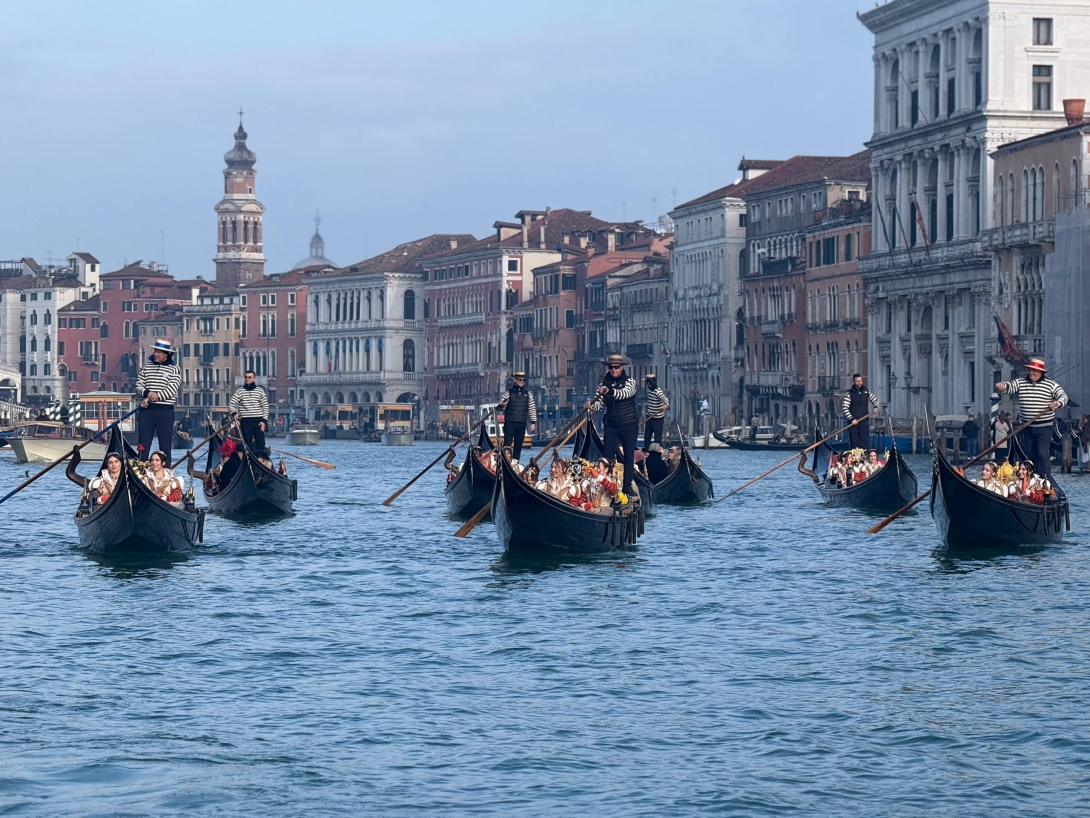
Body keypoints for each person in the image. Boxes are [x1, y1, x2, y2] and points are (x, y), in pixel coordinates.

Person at [996, 358, 1068, 480]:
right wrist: (1003, 386)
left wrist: (1058, 403)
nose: (1031, 373)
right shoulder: (1021, 382)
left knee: (1042, 454)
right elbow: (1010, 387)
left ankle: (1046, 479)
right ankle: (1034, 479)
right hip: (1027, 426)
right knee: (1031, 455)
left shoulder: (1051, 384)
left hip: (1044, 427)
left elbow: (1063, 396)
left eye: (1035, 371)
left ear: (1041, 372)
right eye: (1030, 370)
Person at [586, 354, 639, 494]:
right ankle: (607, 485)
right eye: (611, 367)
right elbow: (600, 403)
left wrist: (609, 390)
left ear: (622, 368)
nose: (614, 369)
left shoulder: (630, 381)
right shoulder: (603, 385)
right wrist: (592, 406)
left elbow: (624, 394)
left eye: (616, 367)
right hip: (611, 425)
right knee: (607, 457)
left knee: (628, 456)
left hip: (629, 423)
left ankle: (627, 485)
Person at [136, 339, 181, 460]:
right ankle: (141, 467)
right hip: (146, 410)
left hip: (165, 411)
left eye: (159, 352)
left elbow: (171, 390)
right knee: (143, 444)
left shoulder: (174, 369)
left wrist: (151, 398)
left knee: (165, 445)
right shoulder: (147, 367)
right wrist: (147, 393)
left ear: (166, 354)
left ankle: (165, 468)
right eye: (155, 351)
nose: (155, 354)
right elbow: (138, 385)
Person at [497, 372, 536, 462]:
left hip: (521, 423)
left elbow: (532, 408)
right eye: (520, 380)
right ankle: (505, 461)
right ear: (515, 380)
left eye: (524, 380)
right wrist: (501, 404)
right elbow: (501, 406)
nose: (522, 382)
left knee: (518, 445)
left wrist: (533, 422)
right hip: (510, 422)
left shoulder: (528, 394)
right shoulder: (508, 393)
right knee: (507, 444)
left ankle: (515, 462)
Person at [230, 370, 269, 457]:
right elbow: (232, 404)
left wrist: (264, 421)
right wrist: (234, 414)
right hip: (246, 421)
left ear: (254, 378)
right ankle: (249, 459)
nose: (247, 379)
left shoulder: (260, 391)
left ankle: (260, 459)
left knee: (261, 443)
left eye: (249, 377)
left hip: (259, 421)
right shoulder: (240, 391)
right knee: (247, 444)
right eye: (246, 377)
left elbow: (265, 407)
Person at [842, 373, 879, 450]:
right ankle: (854, 456)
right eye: (858, 381)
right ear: (854, 382)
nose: (860, 383)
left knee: (864, 443)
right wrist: (852, 419)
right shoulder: (849, 394)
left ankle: (864, 456)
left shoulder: (866, 392)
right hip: (853, 423)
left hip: (864, 421)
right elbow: (845, 408)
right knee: (854, 443)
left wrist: (875, 407)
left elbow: (875, 401)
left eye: (861, 381)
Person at [642, 374, 669, 452]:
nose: (646, 385)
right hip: (649, 417)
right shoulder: (651, 391)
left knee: (657, 438)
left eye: (646, 383)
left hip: (658, 419)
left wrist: (665, 405)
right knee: (647, 437)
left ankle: (657, 453)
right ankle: (646, 452)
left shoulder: (657, 391)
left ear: (649, 383)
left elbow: (665, 399)